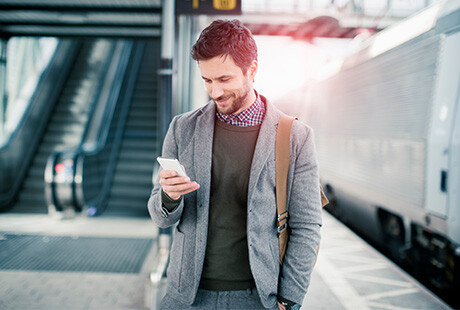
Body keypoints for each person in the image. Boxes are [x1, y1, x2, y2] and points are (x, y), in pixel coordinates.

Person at [148, 19, 322, 310]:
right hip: (186, 297)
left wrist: (289, 298)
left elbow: (307, 226)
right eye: (207, 81)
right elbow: (160, 216)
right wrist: (169, 196)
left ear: (251, 70)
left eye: (224, 79)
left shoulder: (295, 137)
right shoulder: (182, 129)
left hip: (257, 298)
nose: (215, 92)